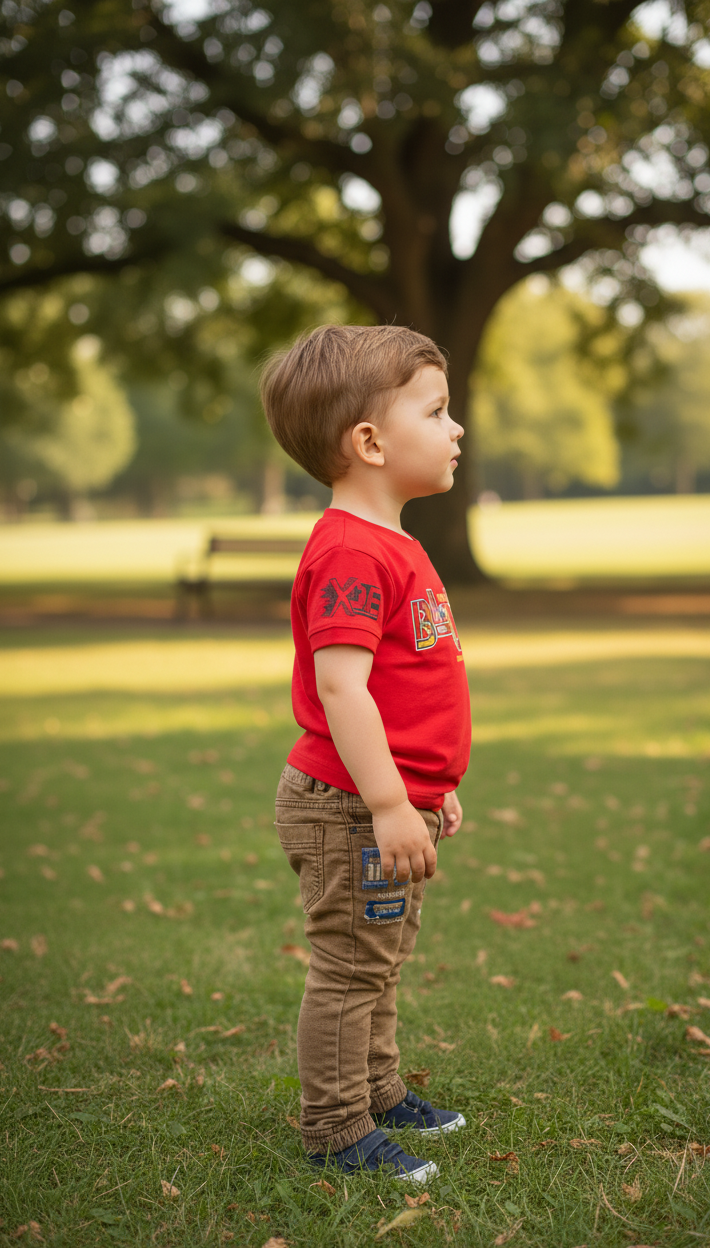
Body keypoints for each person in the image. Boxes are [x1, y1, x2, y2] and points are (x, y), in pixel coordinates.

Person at [260, 324, 471, 1185]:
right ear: (370, 442)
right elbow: (342, 688)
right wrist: (388, 804)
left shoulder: (395, 542)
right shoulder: (350, 549)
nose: (457, 429)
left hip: (385, 801)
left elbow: (403, 687)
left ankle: (378, 1091)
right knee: (351, 965)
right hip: (348, 805)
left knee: (380, 954)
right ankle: (337, 1127)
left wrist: (427, 789)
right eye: (438, 410)